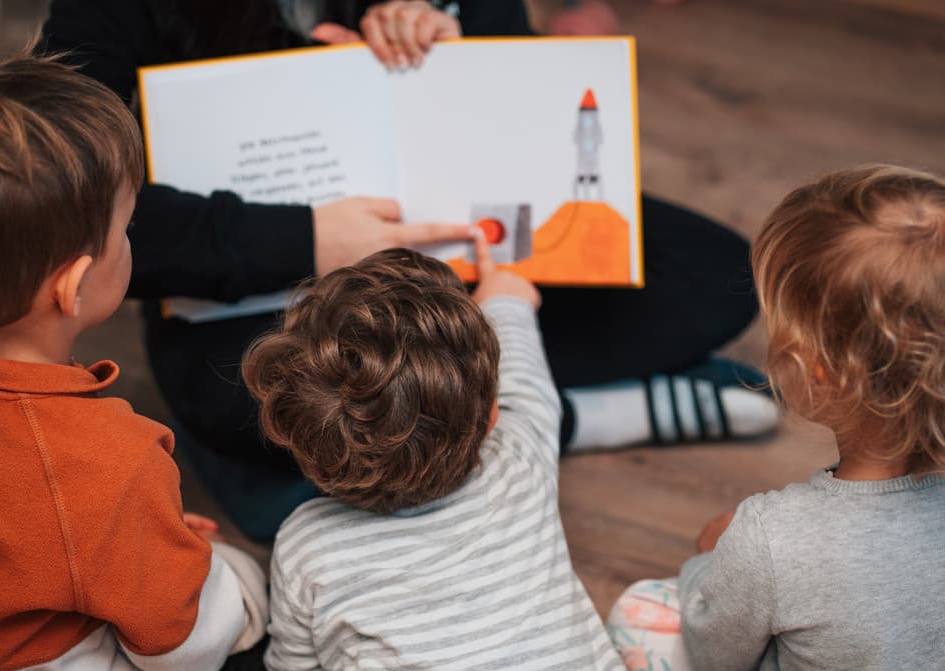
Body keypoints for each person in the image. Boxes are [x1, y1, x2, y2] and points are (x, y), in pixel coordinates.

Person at [41, 0, 775, 540]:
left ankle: (430, 435)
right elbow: (67, 193)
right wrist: (309, 238)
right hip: (261, 279)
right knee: (242, 393)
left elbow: (522, 75)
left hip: (442, 238)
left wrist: (460, 50)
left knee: (717, 277)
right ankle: (545, 419)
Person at [0, 52, 279, 671]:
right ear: (76, 284)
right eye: (126, 227)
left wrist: (149, 534)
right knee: (268, 624)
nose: (132, 241)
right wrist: (219, 568)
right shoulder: (106, 459)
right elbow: (188, 645)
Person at [242, 238, 639, 671]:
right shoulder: (519, 457)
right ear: (491, 416)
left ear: (304, 448)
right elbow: (529, 386)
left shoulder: (306, 544)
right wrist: (507, 298)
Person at [606, 165, 945, 671]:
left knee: (639, 609)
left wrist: (715, 561)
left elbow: (717, 657)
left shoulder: (773, 537)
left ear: (817, 375)